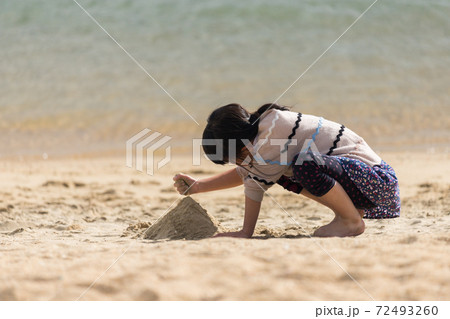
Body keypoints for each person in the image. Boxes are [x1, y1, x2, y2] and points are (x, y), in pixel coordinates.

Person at [173, 103, 400, 238]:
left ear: (241, 140)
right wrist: (199, 186)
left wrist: (245, 232)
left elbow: (253, 182)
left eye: (235, 156)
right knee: (286, 173)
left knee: (303, 164)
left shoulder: (274, 130)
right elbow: (250, 173)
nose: (237, 163)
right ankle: (350, 214)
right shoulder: (261, 140)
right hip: (362, 187)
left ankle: (350, 219)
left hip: (377, 182)